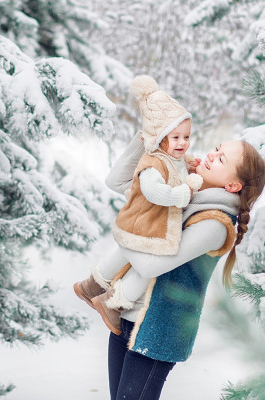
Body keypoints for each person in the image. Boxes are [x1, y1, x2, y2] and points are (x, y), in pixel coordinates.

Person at [101, 133, 265, 399]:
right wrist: (147, 140)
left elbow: (150, 265)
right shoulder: (180, 191)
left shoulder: (215, 223)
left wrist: (131, 226)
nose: (211, 155)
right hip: (126, 315)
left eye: (221, 159)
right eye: (216, 148)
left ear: (233, 186)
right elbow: (116, 181)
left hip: (157, 334)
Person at [74, 75, 203, 334]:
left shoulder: (171, 157)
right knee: (151, 262)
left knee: (135, 254)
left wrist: (188, 163)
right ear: (158, 137)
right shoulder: (152, 161)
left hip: (147, 220)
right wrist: (183, 192)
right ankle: (111, 302)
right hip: (147, 220)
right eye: (175, 137)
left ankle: (92, 287)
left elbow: (173, 164)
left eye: (186, 137)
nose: (182, 143)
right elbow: (153, 189)